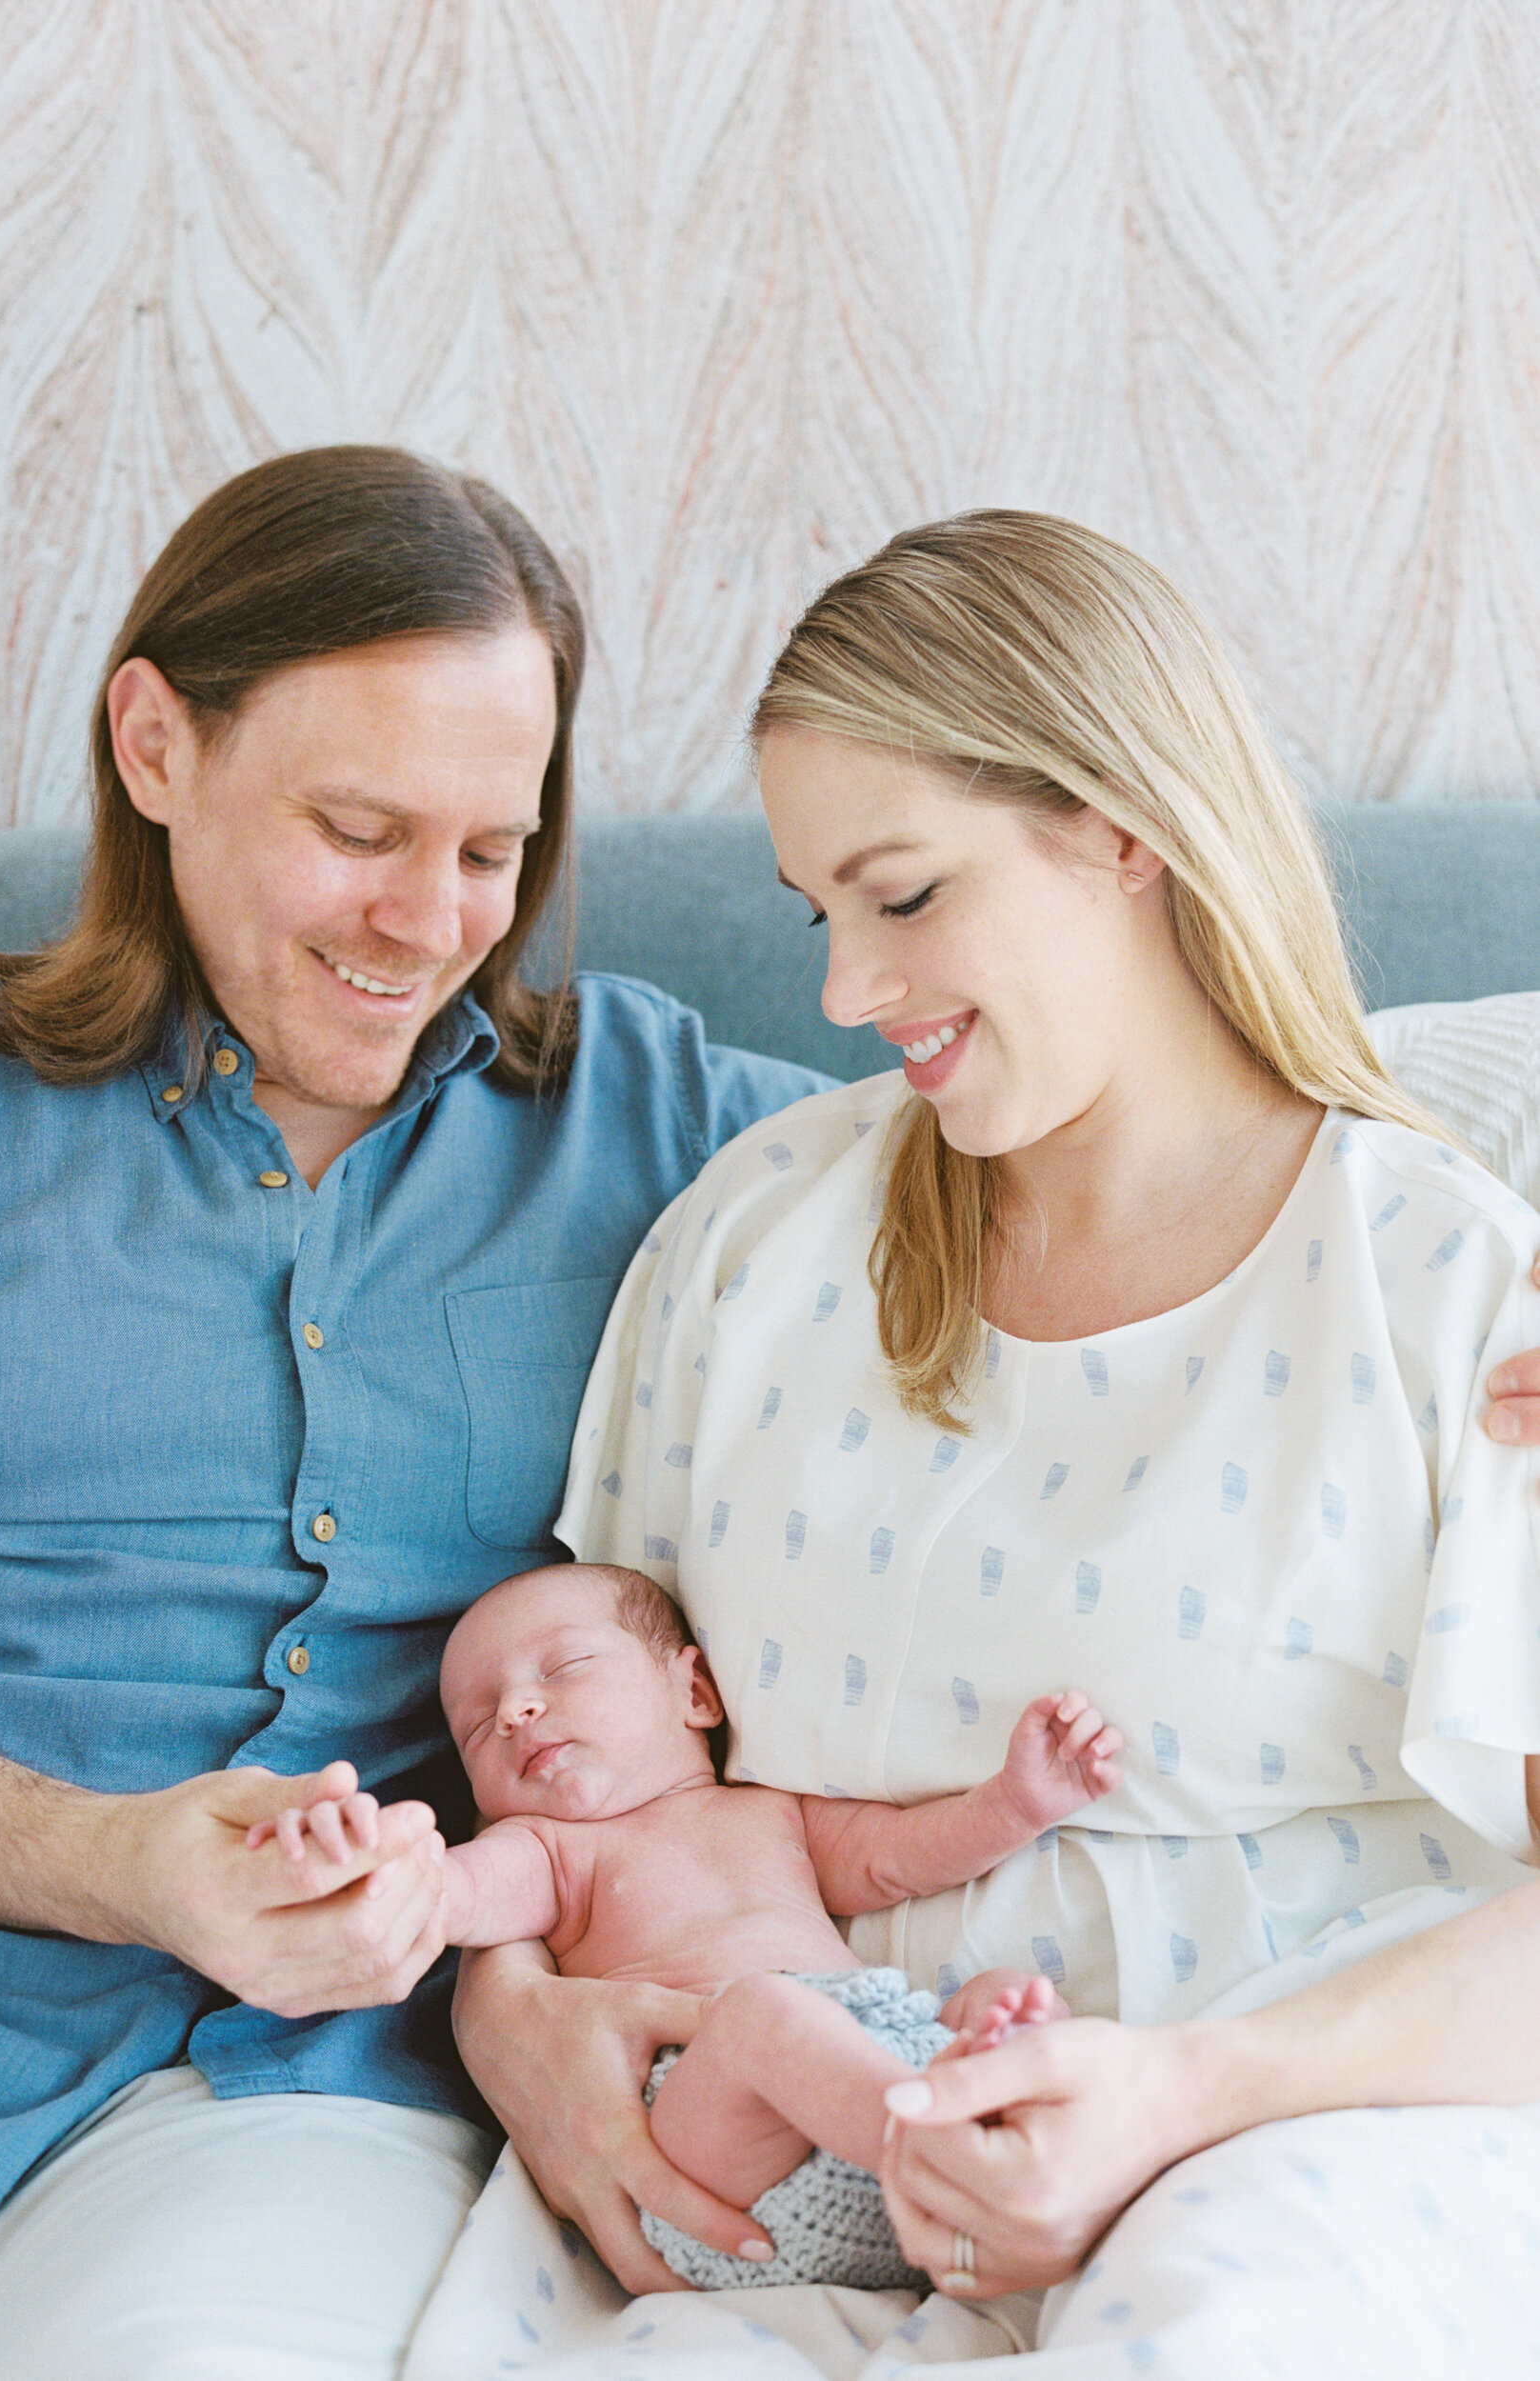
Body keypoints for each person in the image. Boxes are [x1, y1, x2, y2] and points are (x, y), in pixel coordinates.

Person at [0, 448, 833, 2381]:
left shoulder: (663, 1124)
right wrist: (119, 1857)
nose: (430, 924)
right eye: (360, 825)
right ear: (156, 743)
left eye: (490, 851)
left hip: (260, 2088)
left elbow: (1069, 1179)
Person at [441, 510, 1540, 2372]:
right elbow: (579, 1768)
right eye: (818, 911)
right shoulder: (756, 1237)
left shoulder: (1437, 1282)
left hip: (1293, 2142)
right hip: (807, 2168)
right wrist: (508, 2014)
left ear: (1122, 826)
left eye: (906, 894)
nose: (843, 996)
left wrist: (1185, 2091)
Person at [255, 1558, 1119, 2290]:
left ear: (695, 1691)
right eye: (479, 1725)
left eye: (561, 1671)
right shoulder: (547, 1852)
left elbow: (903, 1855)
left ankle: (1004, 2114)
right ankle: (944, 2143)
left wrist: (1015, 1802)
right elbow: (439, 1895)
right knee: (761, 2015)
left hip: (868, 2082)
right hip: (704, 2145)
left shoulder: (772, 1814)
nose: (515, 1710)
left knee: (1001, 1994)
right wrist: (355, 1861)